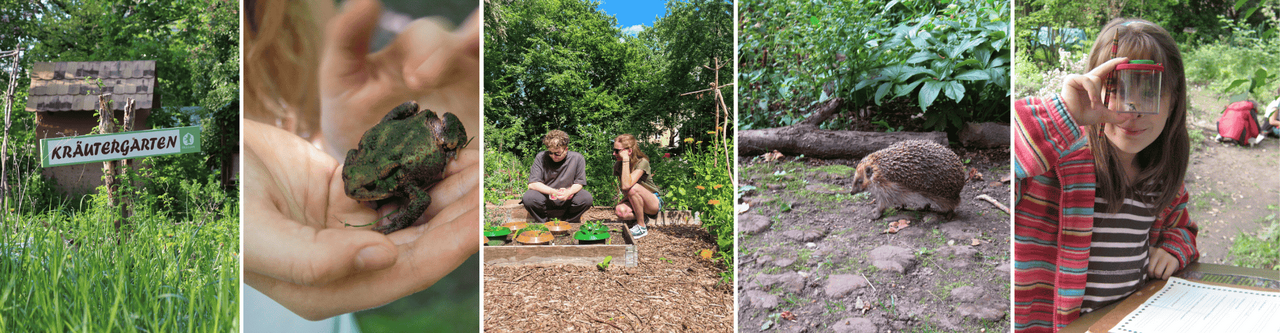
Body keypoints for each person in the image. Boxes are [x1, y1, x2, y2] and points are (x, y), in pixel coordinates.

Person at [242, 0, 480, 324]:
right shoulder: (368, 168)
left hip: (424, 134)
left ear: (383, 180)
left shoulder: (397, 177)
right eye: (349, 179)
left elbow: (418, 198)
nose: (353, 190)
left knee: (444, 132)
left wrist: (398, 219)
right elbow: (413, 194)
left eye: (365, 186)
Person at [1012, 18, 1198, 333]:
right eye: (1117, 89)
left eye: (1149, 91)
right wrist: (1064, 112)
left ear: (1174, 101)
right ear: (1093, 89)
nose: (1132, 111)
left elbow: (1182, 229)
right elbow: (1012, 157)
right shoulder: (1049, 163)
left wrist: (1172, 249)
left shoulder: (1162, 179)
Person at [522, 130, 593, 222]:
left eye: (557, 153)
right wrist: (553, 191)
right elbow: (532, 184)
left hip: (568, 198)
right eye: (550, 152)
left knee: (586, 198)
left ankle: (568, 222)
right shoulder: (541, 157)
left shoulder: (577, 158)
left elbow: (579, 183)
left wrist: (569, 192)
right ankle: (543, 222)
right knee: (529, 198)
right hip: (546, 198)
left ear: (566, 149)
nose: (553, 156)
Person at [612, 134, 661, 239]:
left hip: (652, 202)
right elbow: (625, 189)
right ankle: (642, 217)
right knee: (619, 210)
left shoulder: (642, 162)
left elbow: (627, 185)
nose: (614, 153)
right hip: (634, 199)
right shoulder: (618, 165)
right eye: (614, 150)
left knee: (633, 188)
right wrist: (624, 200)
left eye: (617, 151)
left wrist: (626, 159)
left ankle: (641, 227)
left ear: (629, 151)